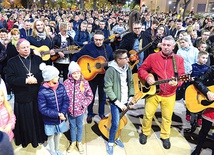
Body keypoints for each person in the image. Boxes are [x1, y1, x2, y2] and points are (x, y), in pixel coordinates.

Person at [138, 36, 185, 149]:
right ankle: (145, 132)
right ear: (161, 45)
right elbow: (141, 69)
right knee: (148, 115)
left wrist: (177, 83)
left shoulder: (179, 60)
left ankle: (165, 136)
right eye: (164, 44)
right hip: (153, 93)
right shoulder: (152, 57)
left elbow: (182, 77)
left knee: (167, 118)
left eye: (168, 45)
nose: (165, 47)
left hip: (169, 94)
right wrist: (147, 77)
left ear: (173, 47)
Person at [6, 39, 47, 148]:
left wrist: (36, 79)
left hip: (36, 94)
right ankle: (26, 139)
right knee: (25, 120)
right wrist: (25, 80)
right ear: (17, 49)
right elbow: (10, 79)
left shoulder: (37, 59)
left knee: (36, 118)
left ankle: (38, 137)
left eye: (28, 47)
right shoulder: (11, 62)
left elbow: (43, 72)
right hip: (22, 95)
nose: (26, 49)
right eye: (23, 47)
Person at [72, 30, 114, 124]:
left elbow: (112, 60)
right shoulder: (88, 47)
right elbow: (78, 55)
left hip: (104, 76)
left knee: (103, 96)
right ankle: (90, 113)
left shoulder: (108, 49)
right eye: (96, 40)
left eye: (100, 40)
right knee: (90, 95)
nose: (98, 42)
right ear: (93, 39)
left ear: (103, 39)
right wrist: (73, 63)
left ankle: (101, 113)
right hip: (91, 76)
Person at [104, 49, 134, 155]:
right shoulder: (111, 70)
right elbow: (107, 88)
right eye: (125, 58)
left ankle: (116, 137)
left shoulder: (127, 68)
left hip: (126, 99)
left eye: (127, 57)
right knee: (115, 123)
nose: (127, 59)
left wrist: (131, 97)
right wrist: (118, 103)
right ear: (118, 60)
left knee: (120, 122)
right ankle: (111, 142)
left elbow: (130, 82)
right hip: (116, 102)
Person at [38, 63, 69, 155]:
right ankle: (52, 151)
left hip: (60, 118)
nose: (58, 77)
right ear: (50, 78)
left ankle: (57, 148)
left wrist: (62, 112)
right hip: (49, 120)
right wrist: (57, 114)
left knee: (58, 134)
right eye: (56, 76)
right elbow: (43, 108)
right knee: (51, 136)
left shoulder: (61, 86)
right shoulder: (42, 91)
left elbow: (66, 100)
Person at [64, 61, 93, 154]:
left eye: (77, 73)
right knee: (72, 126)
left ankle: (79, 142)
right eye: (74, 73)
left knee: (80, 126)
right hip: (70, 111)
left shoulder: (84, 82)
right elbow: (63, 96)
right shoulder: (66, 83)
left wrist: (83, 104)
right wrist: (66, 107)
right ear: (70, 74)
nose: (76, 75)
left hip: (80, 110)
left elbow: (90, 95)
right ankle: (73, 142)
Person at [191, 66, 214, 155]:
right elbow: (197, 80)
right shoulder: (212, 69)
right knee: (204, 130)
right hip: (210, 107)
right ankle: (198, 148)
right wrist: (207, 92)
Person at [188, 51, 209, 129]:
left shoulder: (207, 68)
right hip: (193, 88)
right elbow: (188, 76)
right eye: (203, 58)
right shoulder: (193, 66)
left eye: (206, 58)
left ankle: (200, 118)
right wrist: (190, 79)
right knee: (193, 104)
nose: (205, 60)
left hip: (202, 89)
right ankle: (192, 122)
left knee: (201, 104)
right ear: (198, 58)